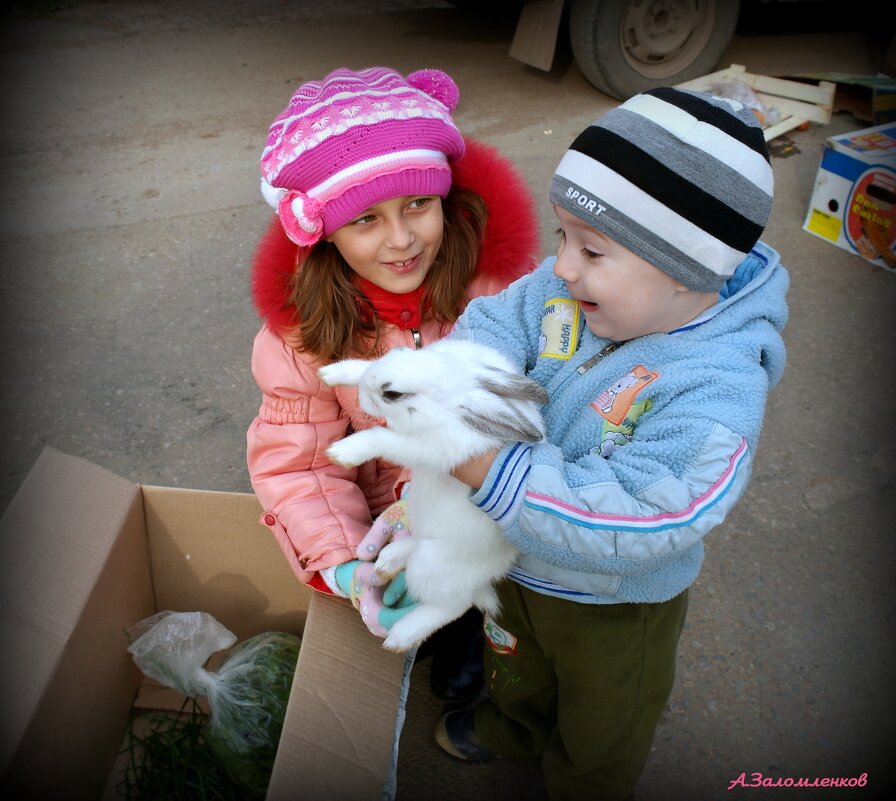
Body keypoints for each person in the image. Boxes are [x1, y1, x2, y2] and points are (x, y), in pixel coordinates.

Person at [433, 87, 789, 800]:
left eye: (591, 248)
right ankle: (514, 727)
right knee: (516, 666)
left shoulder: (716, 388)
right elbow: (497, 321)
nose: (561, 265)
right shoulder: (569, 287)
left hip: (614, 604)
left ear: (688, 269)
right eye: (563, 236)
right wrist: (469, 386)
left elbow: (656, 512)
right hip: (516, 560)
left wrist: (496, 470)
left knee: (604, 723)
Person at [246, 66, 539, 702]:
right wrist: (349, 563)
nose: (402, 240)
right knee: (422, 619)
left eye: (417, 205)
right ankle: (449, 643)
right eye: (366, 220)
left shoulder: (505, 292)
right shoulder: (303, 338)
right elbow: (300, 466)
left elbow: (557, 400)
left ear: (445, 198)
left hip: (506, 512)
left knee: (506, 633)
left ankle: (492, 663)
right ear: (323, 232)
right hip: (392, 525)